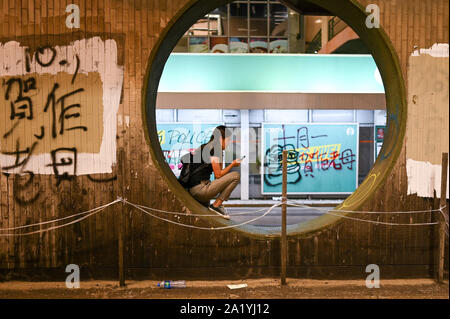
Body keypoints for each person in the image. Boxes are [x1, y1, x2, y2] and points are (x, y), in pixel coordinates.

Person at [187, 125, 241, 219]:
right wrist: (232, 164)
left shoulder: (207, 147)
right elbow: (218, 174)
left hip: (195, 189)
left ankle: (216, 206)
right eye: (228, 140)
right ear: (221, 138)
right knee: (235, 176)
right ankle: (216, 205)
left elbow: (219, 176)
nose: (228, 143)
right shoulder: (215, 149)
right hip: (201, 189)